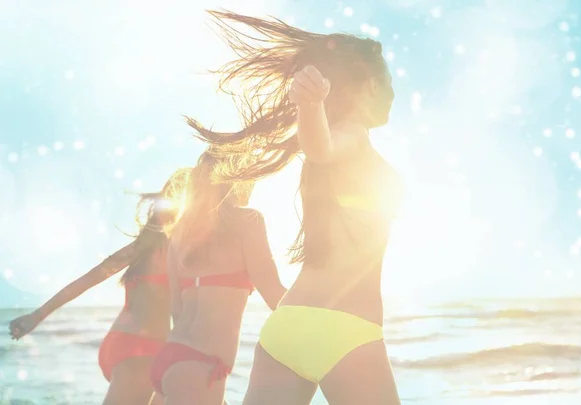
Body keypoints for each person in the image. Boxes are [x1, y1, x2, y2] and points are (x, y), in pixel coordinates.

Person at [189, 10, 402, 405]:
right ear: (371, 84)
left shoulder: (341, 146)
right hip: (346, 330)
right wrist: (310, 106)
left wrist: (312, 108)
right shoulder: (352, 138)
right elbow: (320, 149)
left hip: (287, 327)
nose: (392, 91)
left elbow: (319, 147)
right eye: (389, 81)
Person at [8, 168, 189, 405]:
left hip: (128, 345)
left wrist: (37, 316)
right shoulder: (179, 251)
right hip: (143, 352)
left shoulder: (141, 247)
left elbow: (87, 280)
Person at [148, 151, 287, 405]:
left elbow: (176, 310)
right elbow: (273, 294)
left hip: (171, 359)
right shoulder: (248, 221)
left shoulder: (179, 233)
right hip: (203, 366)